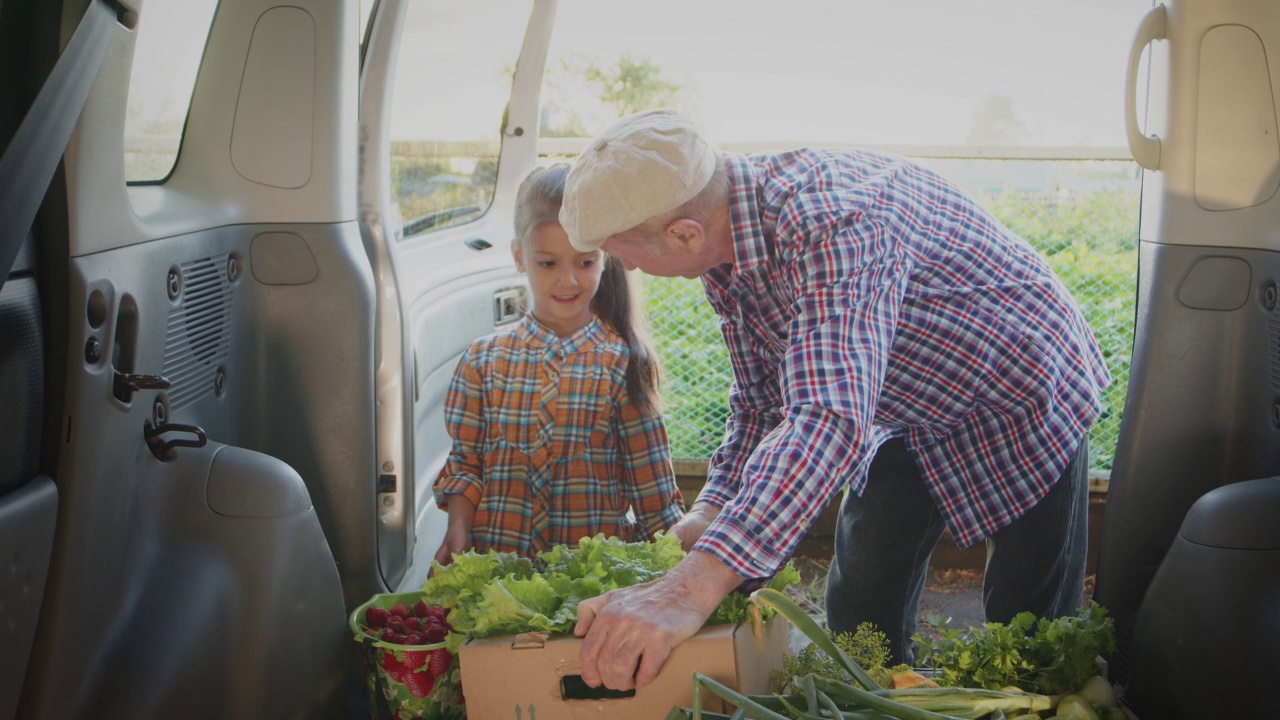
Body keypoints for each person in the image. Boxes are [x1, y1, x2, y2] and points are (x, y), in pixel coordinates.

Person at [561, 109, 1111, 690]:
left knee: (1029, 622)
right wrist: (711, 512)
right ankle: (882, 696)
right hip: (898, 402)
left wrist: (690, 588)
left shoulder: (834, 220)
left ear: (684, 234)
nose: (630, 268)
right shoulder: (725, 249)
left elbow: (826, 419)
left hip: (1017, 383)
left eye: (626, 252)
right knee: (861, 603)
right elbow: (763, 399)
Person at [431, 164, 685, 564]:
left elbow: (654, 494)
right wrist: (457, 533)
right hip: (499, 577)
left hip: (589, 591)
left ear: (606, 258)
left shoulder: (625, 363)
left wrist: (679, 572)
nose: (567, 281)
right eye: (548, 263)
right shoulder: (482, 361)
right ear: (520, 256)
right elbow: (466, 465)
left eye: (585, 262)